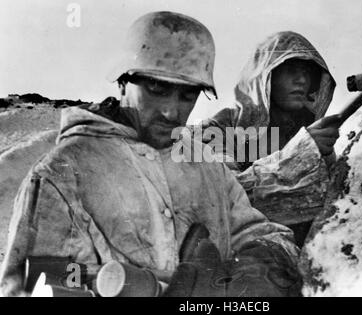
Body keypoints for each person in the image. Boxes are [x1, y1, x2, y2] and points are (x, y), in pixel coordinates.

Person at [0, 12, 302, 297]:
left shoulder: (204, 164)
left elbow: (266, 235)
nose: (172, 111)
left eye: (188, 95)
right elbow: (25, 281)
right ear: (123, 82)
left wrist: (256, 269)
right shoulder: (62, 173)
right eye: (157, 88)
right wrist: (122, 283)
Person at [200, 31, 340, 246]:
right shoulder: (220, 128)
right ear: (265, 76)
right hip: (240, 254)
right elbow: (223, 198)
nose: (302, 80)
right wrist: (300, 156)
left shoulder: (303, 132)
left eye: (307, 72)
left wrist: (328, 160)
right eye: (291, 70)